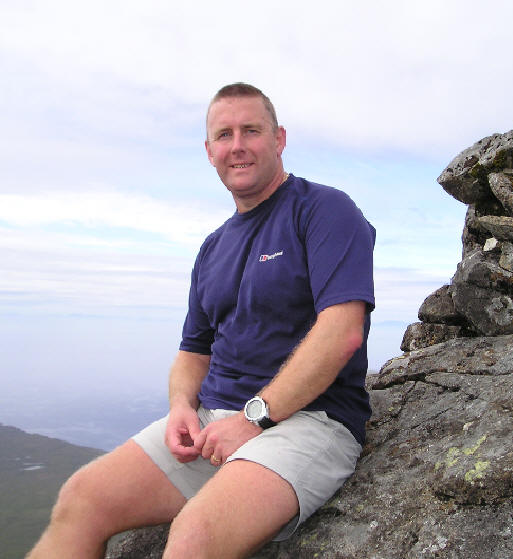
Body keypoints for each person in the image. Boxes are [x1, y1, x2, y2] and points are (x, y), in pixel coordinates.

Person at [27, 83, 375, 559]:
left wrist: (256, 417)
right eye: (224, 134)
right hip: (215, 422)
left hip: (309, 421)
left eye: (251, 130)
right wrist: (180, 408)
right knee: (82, 497)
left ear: (279, 139)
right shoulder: (213, 246)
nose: (238, 146)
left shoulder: (323, 210)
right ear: (209, 151)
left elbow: (342, 332)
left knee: (194, 538)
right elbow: (194, 350)